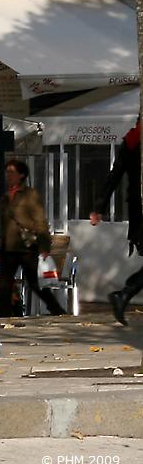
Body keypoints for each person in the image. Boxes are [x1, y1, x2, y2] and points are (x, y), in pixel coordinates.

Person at [89, 117, 143, 326]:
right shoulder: (131, 142)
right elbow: (115, 176)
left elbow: (114, 176)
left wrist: (99, 208)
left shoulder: (129, 141)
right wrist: (98, 207)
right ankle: (124, 294)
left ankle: (124, 294)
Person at [0, 158, 65, 318]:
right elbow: (4, 223)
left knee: (34, 283)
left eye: (12, 172)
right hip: (9, 248)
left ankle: (56, 309)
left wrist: (44, 245)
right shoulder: (6, 196)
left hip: (26, 246)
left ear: (21, 175)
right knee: (4, 284)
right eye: (7, 172)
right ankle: (3, 316)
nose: (8, 175)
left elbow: (40, 220)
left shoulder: (29, 194)